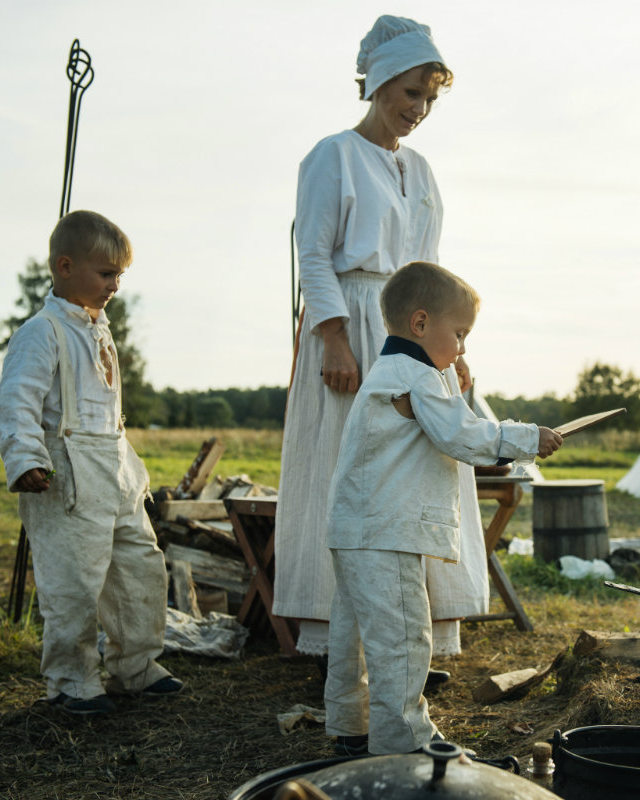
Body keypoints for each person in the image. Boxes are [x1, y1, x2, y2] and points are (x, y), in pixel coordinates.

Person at [274, 15, 488, 666]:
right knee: (353, 465)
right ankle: (342, 637)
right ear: (381, 82)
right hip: (352, 322)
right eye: (410, 94)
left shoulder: (421, 172)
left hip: (415, 325)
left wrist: (453, 349)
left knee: (426, 460)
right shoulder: (332, 156)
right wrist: (333, 338)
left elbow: (430, 272)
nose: (419, 110)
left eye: (429, 98)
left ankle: (423, 631)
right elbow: (312, 253)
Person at [324, 261, 563, 755]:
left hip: (354, 527)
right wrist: (525, 438)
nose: (462, 348)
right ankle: (405, 743)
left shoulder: (389, 372)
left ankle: (351, 725)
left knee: (352, 637)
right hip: (386, 532)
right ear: (420, 324)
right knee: (404, 640)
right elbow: (461, 434)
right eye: (459, 334)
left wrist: (457, 382)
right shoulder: (418, 376)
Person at [0, 210, 182, 715]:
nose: (115, 285)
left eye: (119, 275)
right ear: (65, 267)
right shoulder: (41, 332)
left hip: (114, 467)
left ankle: (135, 666)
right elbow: (18, 400)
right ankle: (71, 680)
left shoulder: (100, 331)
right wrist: (26, 457)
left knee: (138, 568)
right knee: (73, 581)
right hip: (66, 472)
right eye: (106, 274)